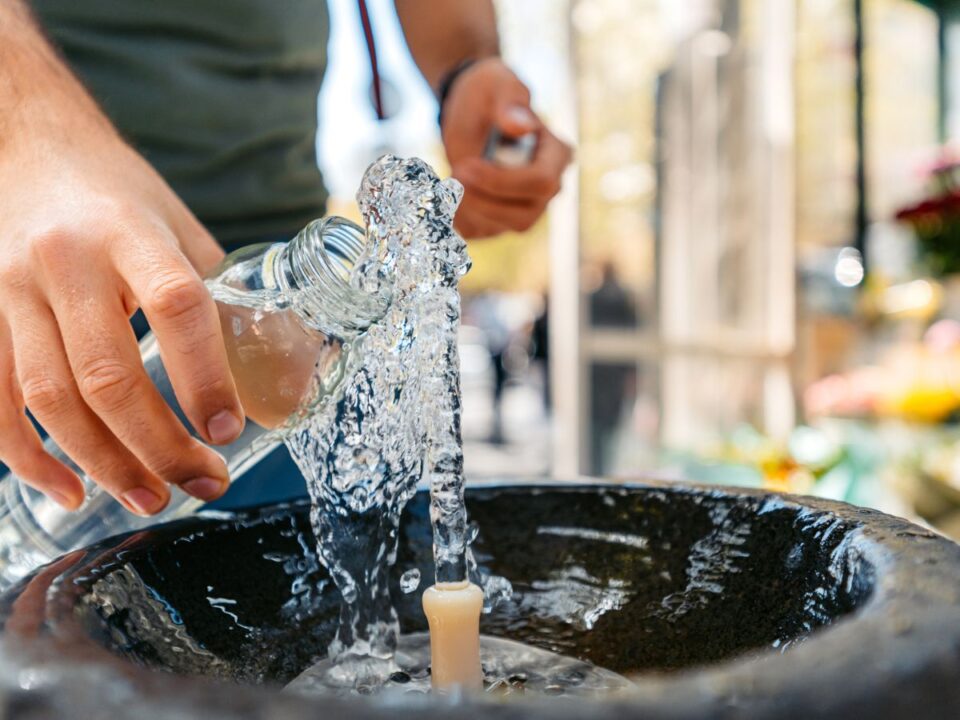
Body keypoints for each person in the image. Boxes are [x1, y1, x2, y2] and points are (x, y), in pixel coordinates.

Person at [0, 1, 571, 515]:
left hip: (280, 304)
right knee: (35, 551)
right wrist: (28, 130)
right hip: (45, 252)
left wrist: (466, 68)